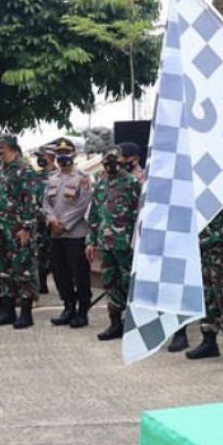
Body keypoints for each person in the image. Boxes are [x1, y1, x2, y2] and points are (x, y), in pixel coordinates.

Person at [87, 146, 142, 341]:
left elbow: (140, 214)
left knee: (129, 282)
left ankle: (134, 322)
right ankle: (115, 322)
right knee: (110, 283)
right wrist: (91, 241)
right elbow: (94, 215)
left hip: (125, 244)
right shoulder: (100, 185)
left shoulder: (132, 183)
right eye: (107, 161)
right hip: (105, 243)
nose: (111, 165)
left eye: (114, 160)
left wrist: (137, 241)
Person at [0, 133, 40, 329]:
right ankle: (6, 309)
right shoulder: (0, 170)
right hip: (0, 228)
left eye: (1, 146)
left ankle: (26, 312)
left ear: (10, 147)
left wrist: (26, 227)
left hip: (18, 229)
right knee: (3, 270)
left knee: (23, 269)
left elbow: (31, 201)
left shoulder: (24, 170)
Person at [185, 192, 223, 363]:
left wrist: (201, 242)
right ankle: (209, 341)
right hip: (205, 257)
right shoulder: (201, 197)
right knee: (207, 298)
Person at [43, 138, 93, 328]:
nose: (62, 156)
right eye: (59, 153)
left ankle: (82, 311)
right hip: (56, 234)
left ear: (74, 154)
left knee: (79, 273)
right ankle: (68, 306)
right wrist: (52, 221)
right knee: (59, 272)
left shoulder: (82, 178)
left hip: (75, 234)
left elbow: (83, 204)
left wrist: (64, 223)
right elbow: (45, 203)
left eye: (66, 152)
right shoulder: (52, 178)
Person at [34, 146, 57, 294]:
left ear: (50, 156)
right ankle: (42, 283)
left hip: (57, 221)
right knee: (40, 251)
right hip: (40, 221)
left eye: (42, 156)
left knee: (57, 253)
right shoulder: (37, 176)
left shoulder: (59, 174)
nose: (39, 159)